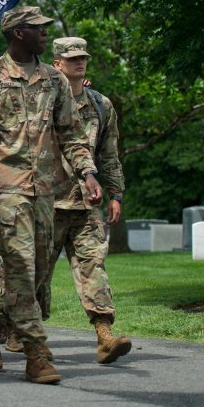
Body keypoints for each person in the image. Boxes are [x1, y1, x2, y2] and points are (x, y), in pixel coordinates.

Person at [0, 6, 101, 384]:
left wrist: (88, 172)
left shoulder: (54, 80)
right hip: (4, 190)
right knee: (20, 271)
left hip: (47, 191)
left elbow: (72, 134)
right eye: (37, 28)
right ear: (17, 33)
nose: (46, 33)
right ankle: (36, 354)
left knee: (36, 276)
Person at [41, 36, 130, 364]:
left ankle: (104, 334)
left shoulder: (100, 105)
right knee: (33, 276)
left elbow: (109, 154)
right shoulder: (43, 102)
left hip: (86, 202)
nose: (80, 62)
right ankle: (4, 325)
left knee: (93, 266)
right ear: (57, 64)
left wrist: (115, 192)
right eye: (73, 58)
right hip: (46, 202)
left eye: (83, 58)